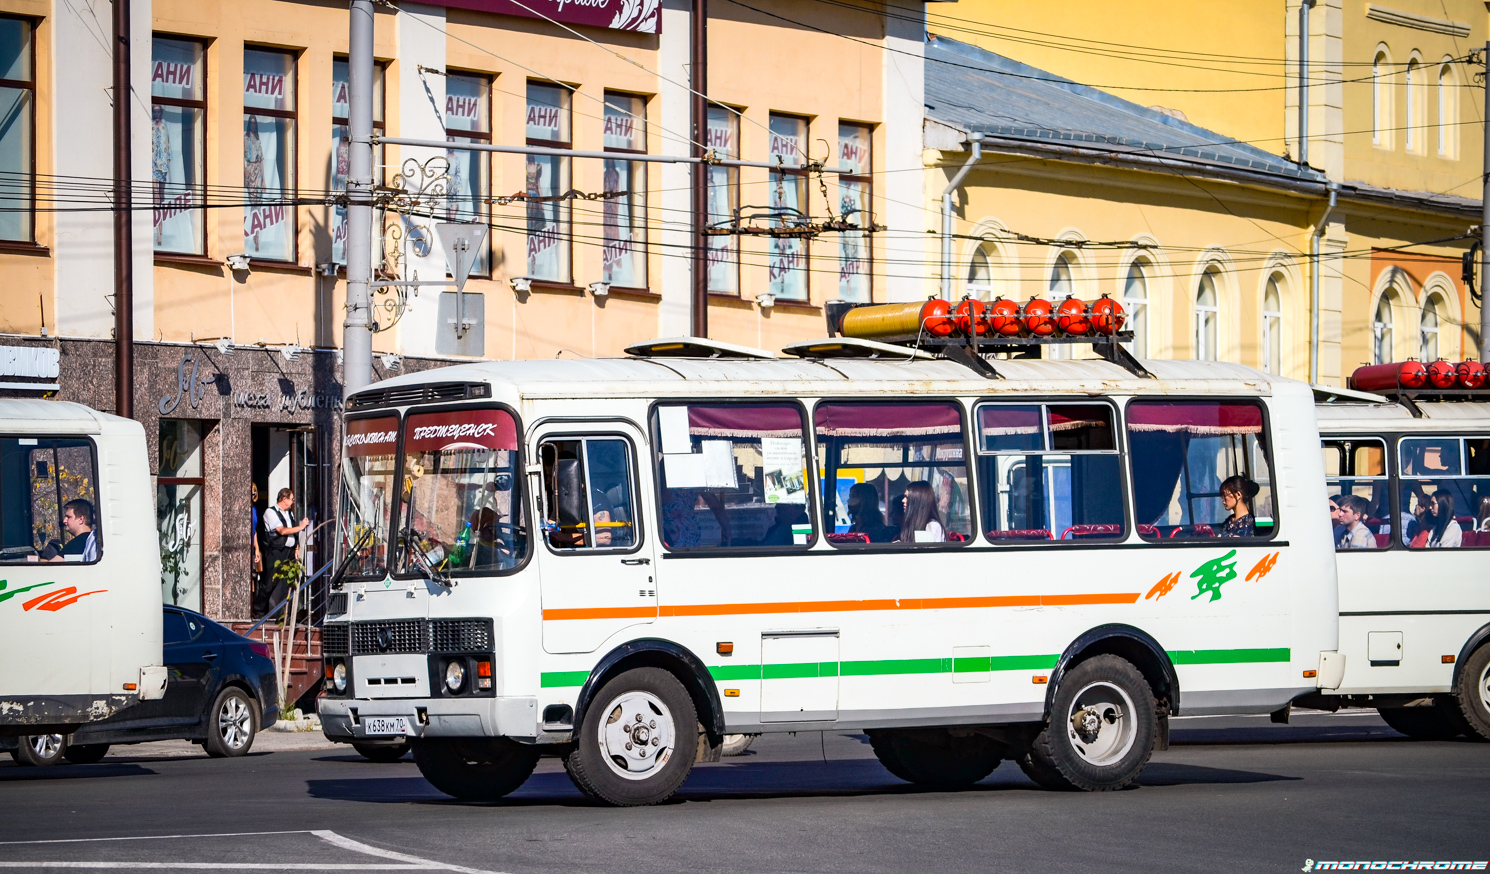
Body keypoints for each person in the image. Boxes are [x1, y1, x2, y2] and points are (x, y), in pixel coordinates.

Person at [257, 488, 308, 620]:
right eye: (291, 499)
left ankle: (282, 615)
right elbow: (282, 531)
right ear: (284, 499)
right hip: (276, 552)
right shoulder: (271, 512)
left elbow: (293, 533)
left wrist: (296, 547)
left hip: (289, 552)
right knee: (270, 582)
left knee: (287, 583)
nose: (292, 502)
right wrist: (301, 527)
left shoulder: (289, 514)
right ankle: (259, 610)